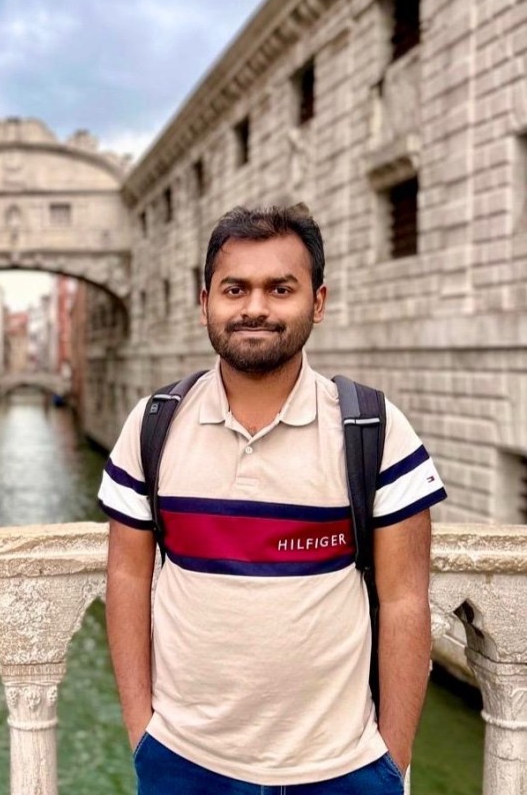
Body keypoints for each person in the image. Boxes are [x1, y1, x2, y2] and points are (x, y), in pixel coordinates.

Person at [98, 204, 447, 794]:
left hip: (343, 770)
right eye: (235, 289)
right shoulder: (153, 425)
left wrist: (392, 758)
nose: (255, 307)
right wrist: (143, 733)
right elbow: (127, 577)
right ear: (205, 302)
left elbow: (406, 599)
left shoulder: (375, 429)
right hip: (183, 762)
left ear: (317, 302)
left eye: (280, 289)